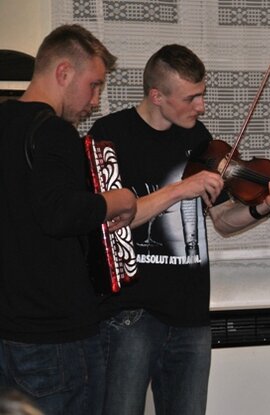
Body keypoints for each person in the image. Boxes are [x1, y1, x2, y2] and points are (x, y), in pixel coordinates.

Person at [88, 44, 270, 415]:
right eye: (192, 98)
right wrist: (180, 189)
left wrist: (263, 206)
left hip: (190, 314)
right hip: (129, 313)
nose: (201, 106)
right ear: (157, 96)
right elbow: (111, 218)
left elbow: (223, 221)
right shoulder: (111, 134)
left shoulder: (198, 138)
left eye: (202, 95)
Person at [0, 24, 136, 415]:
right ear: (63, 73)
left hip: (11, 328)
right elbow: (58, 213)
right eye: (93, 86)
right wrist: (116, 201)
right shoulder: (55, 133)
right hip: (55, 335)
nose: (95, 101)